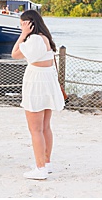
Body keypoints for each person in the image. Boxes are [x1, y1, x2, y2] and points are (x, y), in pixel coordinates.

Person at [13, 9, 65, 180]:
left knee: (35, 129)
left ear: (29, 23)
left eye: (22, 23)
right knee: (45, 127)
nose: (20, 26)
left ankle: (40, 168)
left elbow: (14, 54)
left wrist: (23, 35)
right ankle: (46, 163)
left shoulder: (34, 39)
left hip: (37, 85)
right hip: (47, 82)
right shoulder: (45, 38)